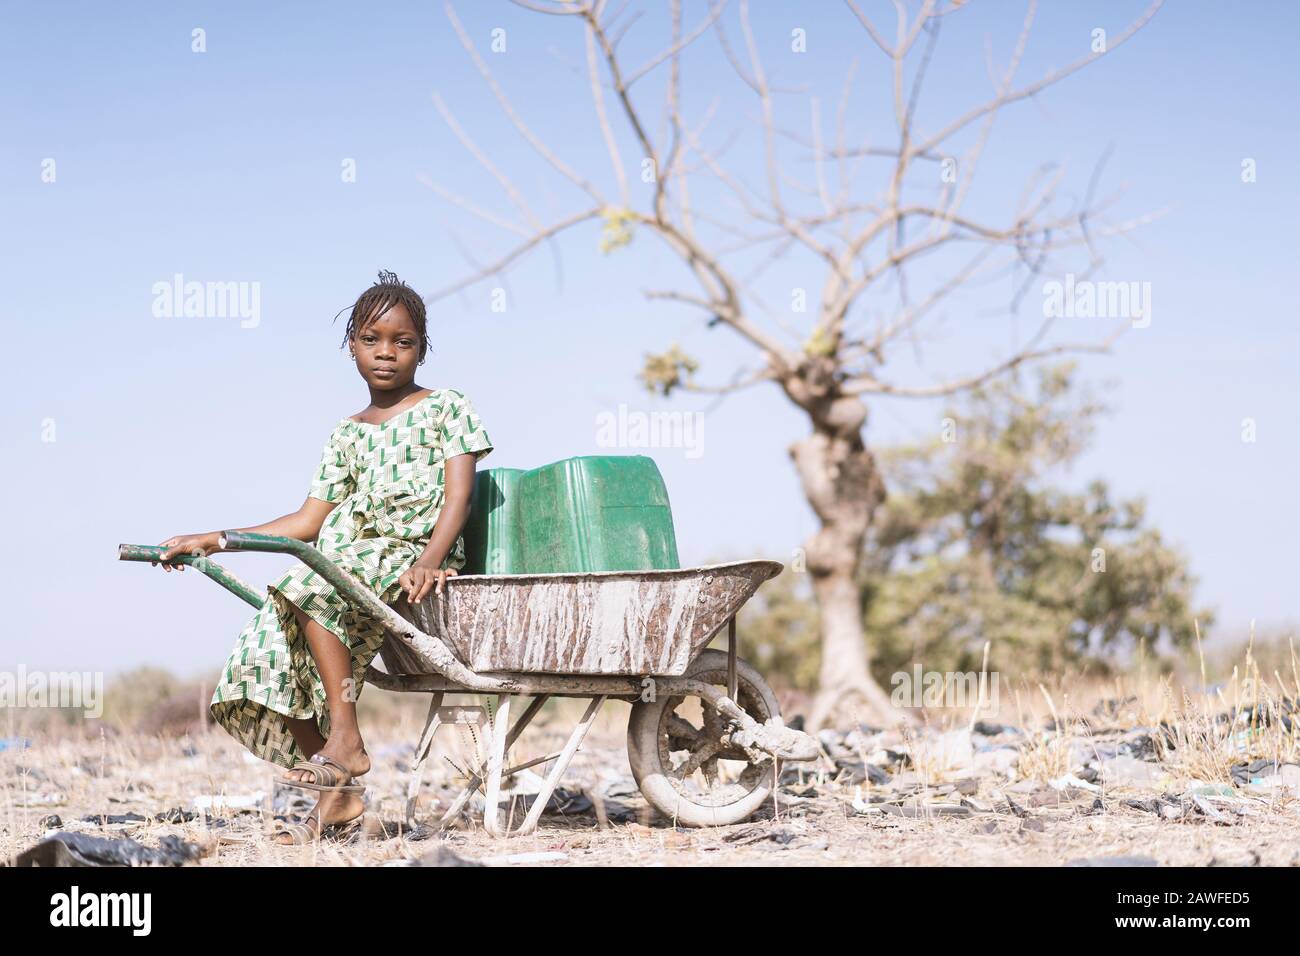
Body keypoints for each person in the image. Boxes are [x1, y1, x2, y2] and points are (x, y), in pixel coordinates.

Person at [155, 270, 493, 844]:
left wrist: (432, 558)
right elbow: (308, 522)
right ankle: (339, 794)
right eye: (371, 339)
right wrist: (215, 537)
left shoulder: (447, 407)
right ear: (351, 346)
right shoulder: (346, 433)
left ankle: (346, 741)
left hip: (410, 549)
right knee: (269, 642)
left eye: (402, 341)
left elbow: (459, 494)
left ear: (422, 348)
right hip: (353, 554)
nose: (386, 353)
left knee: (306, 588)